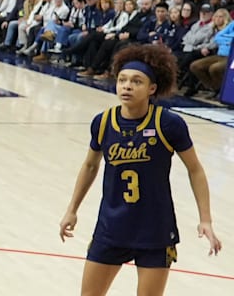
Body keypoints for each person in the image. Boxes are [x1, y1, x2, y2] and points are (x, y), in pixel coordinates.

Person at [59, 44, 222, 296]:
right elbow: (91, 165)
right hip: (111, 226)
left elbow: (195, 170)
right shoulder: (103, 122)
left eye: (136, 81)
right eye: (122, 80)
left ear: (152, 89)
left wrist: (206, 219)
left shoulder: (168, 124)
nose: (127, 86)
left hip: (155, 230)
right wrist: (72, 210)